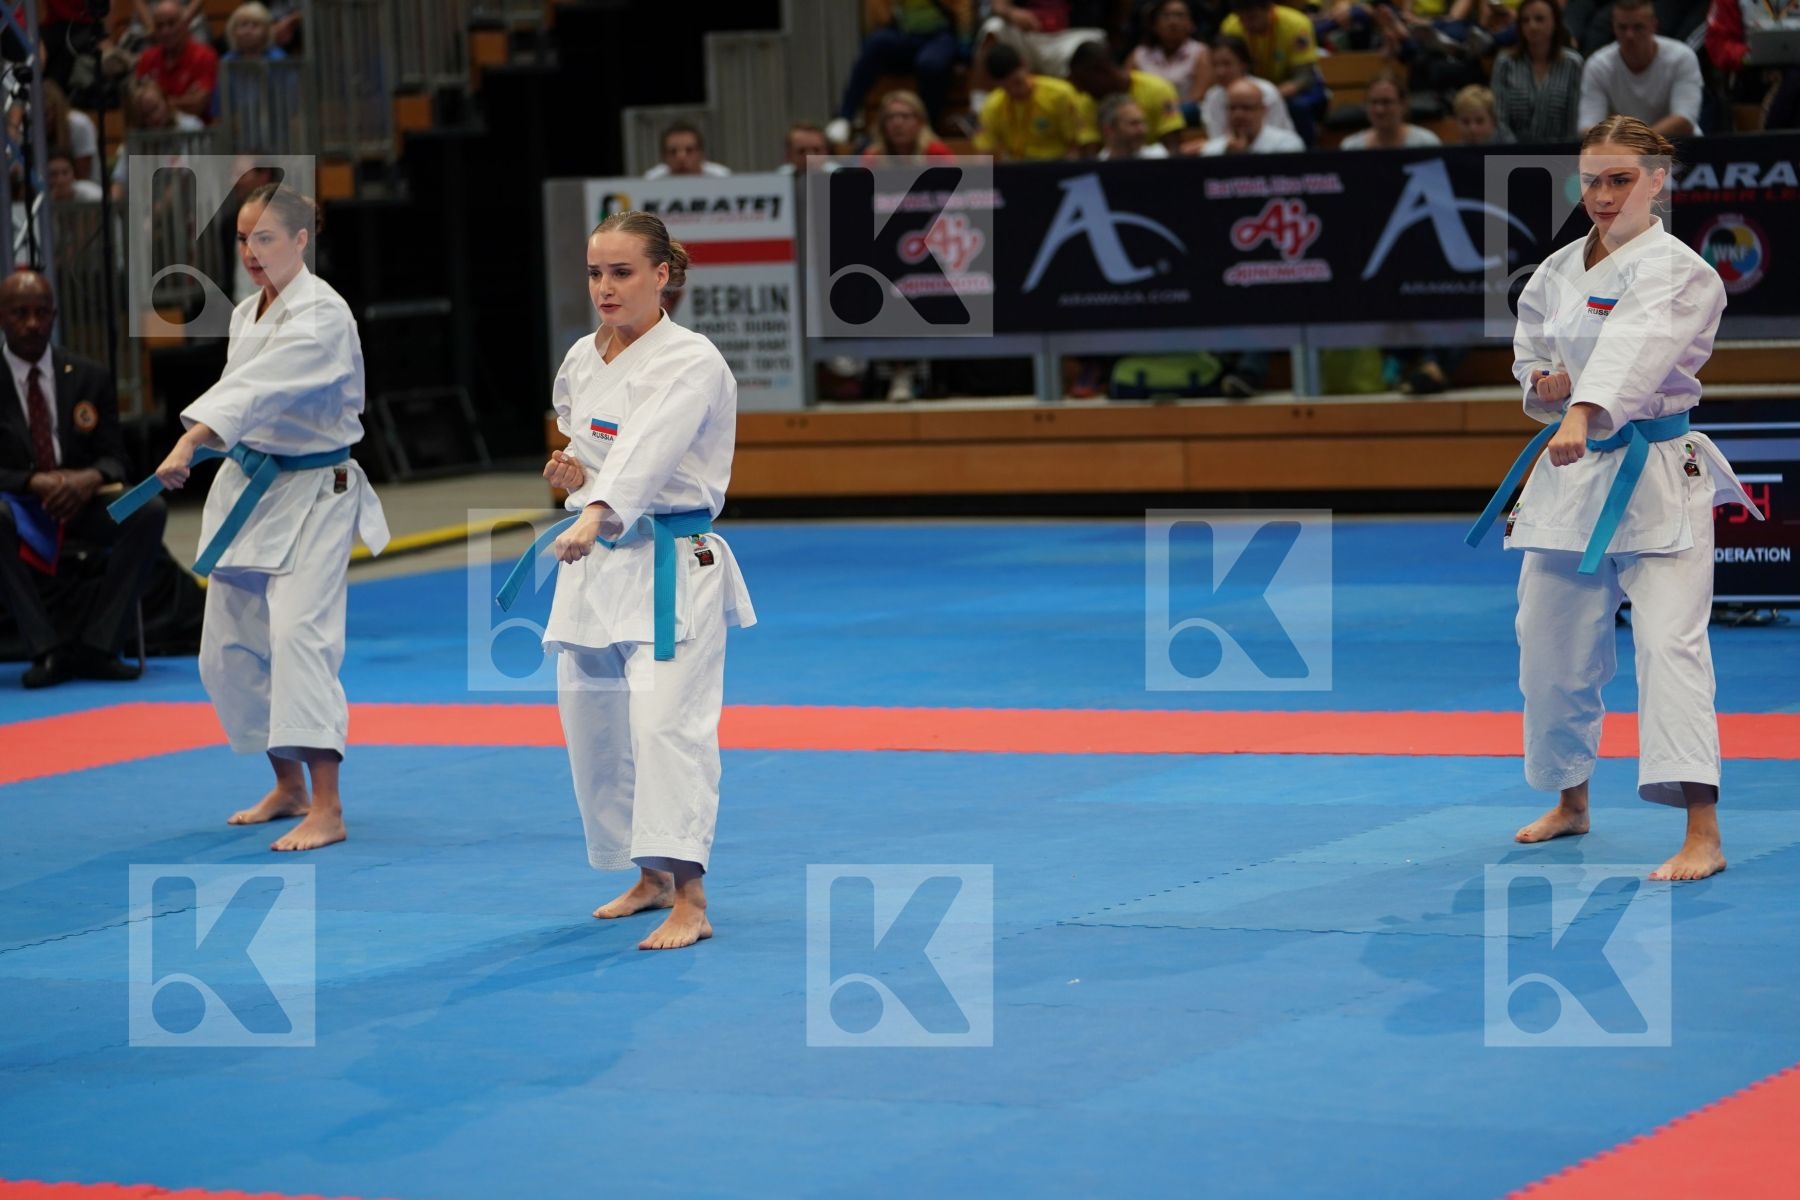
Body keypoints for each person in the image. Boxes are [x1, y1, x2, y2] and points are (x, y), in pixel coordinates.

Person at [1469, 115, 1760, 882]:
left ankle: (1703, 831)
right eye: (1590, 180)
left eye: (1619, 180)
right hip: (1573, 476)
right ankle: (1572, 800)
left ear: (1658, 180)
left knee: (1669, 649)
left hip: (1659, 471)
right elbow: (1529, 353)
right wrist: (1543, 385)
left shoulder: (1682, 271)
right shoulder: (1558, 270)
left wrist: (1583, 407)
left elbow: (1637, 350)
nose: (1601, 196)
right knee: (1549, 645)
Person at [536, 210, 756, 951]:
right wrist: (573, 476)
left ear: (663, 275)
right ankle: (649, 874)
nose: (605, 287)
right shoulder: (580, 359)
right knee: (595, 730)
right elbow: (587, 445)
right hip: (594, 567)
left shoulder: (691, 361)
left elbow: (651, 454)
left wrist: (597, 508)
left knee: (668, 729)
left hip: (669, 563)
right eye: (596, 273)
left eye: (622, 272)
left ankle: (690, 897)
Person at [147, 183, 389, 851]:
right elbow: (246, 405)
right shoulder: (250, 311)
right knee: (226, 649)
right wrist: (211, 439)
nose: (252, 252)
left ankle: (329, 807)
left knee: (299, 639)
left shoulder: (323, 314)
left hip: (316, 491)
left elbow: (258, 390)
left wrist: (193, 436)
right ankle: (287, 785)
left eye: (266, 239)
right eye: (243, 240)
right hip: (252, 488)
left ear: (301, 239)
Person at [0, 271, 165, 688]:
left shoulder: (88, 375)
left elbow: (116, 458)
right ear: (3, 317)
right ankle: (45, 650)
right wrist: (31, 482)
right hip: (17, 508)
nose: (33, 323)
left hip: (81, 502)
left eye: (41, 313)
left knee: (146, 508)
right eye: (21, 313)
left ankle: (100, 644)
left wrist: (87, 479)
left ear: (55, 316)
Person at [829, 0, 971, 145]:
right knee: (875, 44)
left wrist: (963, 52)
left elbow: (962, 12)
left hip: (940, 37)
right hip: (906, 36)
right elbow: (881, 19)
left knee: (930, 64)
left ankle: (926, 127)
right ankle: (844, 117)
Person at [1578, 0, 1705, 138]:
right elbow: (1588, 127)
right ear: (1613, 27)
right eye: (1622, 27)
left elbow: (1684, 119)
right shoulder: (1598, 66)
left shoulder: (1682, 57)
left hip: (1679, 148)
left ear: (1653, 25)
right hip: (1622, 153)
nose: (1629, 35)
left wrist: (1634, 146)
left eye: (1638, 27)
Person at [1220, 0, 1326, 143]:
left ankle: (1305, 152)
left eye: (1252, 17)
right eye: (1241, 18)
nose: (1246, 24)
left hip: (1295, 85)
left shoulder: (1296, 24)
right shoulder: (1231, 26)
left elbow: (1304, 77)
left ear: (1269, 9)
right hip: (1253, 85)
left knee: (1299, 107)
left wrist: (1271, 93)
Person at [973, 42, 1094, 160]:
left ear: (1023, 63)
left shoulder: (1060, 94)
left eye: (1017, 82)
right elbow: (985, 150)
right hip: (1016, 169)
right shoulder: (993, 105)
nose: (1015, 92)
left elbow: (1077, 145)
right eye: (1006, 88)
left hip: (1057, 164)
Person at [1068, 39, 1189, 155]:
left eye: (1083, 82)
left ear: (1101, 71)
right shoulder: (1086, 102)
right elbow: (1091, 155)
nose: (1081, 91)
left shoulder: (1159, 90)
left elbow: (1173, 148)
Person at [1490, 0, 1585, 144]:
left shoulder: (1573, 64)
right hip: (1511, 156)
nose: (1532, 26)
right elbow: (1499, 118)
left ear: (1555, 23)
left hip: (1558, 157)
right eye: (1525, 20)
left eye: (1539, 19)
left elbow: (1573, 122)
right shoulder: (1505, 62)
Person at [134, 0, 220, 123]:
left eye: (171, 24)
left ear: (185, 24)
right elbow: (140, 108)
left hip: (197, 134)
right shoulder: (147, 58)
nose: (166, 31)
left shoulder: (205, 56)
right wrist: (182, 100)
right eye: (160, 26)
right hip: (156, 135)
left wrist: (160, 103)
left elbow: (197, 106)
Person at [1128, 0, 1213, 122]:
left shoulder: (1200, 53)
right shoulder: (1139, 54)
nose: (1173, 22)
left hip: (1184, 117)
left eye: (1180, 15)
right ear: (1154, 24)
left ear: (1191, 24)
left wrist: (1164, 112)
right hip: (1143, 118)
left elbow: (1198, 97)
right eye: (1166, 16)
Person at [1200, 34, 1293, 139]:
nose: (1220, 72)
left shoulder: (1266, 91)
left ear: (1243, 64)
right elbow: (1216, 137)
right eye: (1215, 65)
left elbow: (1276, 135)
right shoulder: (1213, 96)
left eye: (1227, 64)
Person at [1200, 76, 1306, 152]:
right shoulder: (1213, 150)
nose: (1238, 114)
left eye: (1246, 108)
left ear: (1263, 110)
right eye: (1232, 108)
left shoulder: (1287, 144)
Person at [1340, 70, 1444, 147]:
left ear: (1403, 104)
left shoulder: (1425, 143)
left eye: (1386, 102)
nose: (1379, 110)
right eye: (1373, 102)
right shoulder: (1352, 146)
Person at [858, 89, 956, 164]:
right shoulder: (873, 157)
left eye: (905, 116)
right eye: (890, 117)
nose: (897, 123)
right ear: (882, 125)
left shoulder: (936, 153)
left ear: (920, 122)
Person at [644, 121, 732, 179]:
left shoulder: (721, 177)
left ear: (701, 153)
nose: (681, 157)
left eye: (689, 150)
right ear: (663, 156)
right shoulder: (652, 180)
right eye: (673, 151)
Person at [1098, 94, 1171, 157]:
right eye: (1133, 124)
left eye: (1143, 122)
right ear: (1109, 130)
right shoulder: (1095, 168)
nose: (1142, 130)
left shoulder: (1160, 158)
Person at [1452, 83, 1517, 143]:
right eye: (1465, 122)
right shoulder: (1453, 153)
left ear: (1494, 121)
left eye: (1479, 121)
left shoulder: (1512, 151)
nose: (1472, 129)